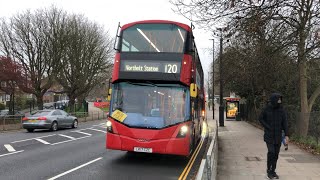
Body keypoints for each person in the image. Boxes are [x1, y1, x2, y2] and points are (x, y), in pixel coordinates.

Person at [259, 93, 289, 179]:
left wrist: (286, 135)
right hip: (269, 135)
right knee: (271, 152)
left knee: (276, 154)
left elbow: (285, 123)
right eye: (278, 99)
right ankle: (269, 170)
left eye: (280, 99)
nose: (280, 101)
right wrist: (267, 127)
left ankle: (273, 171)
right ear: (274, 100)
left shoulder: (282, 110)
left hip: (278, 136)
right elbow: (261, 118)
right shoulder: (267, 109)